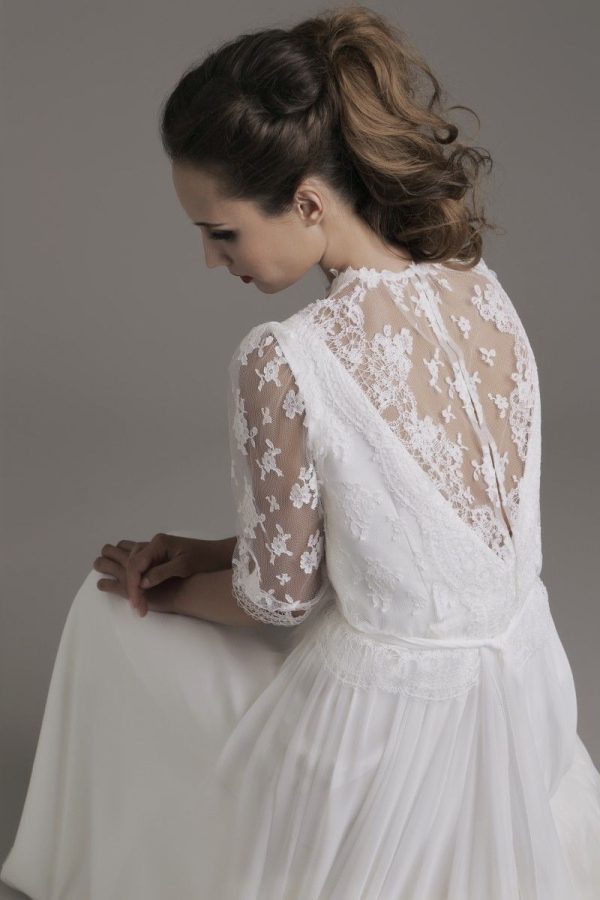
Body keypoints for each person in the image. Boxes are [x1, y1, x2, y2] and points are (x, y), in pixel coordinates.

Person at [2, 5, 600, 898]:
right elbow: (417, 549)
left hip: (389, 740)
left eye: (223, 232)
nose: (211, 261)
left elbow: (278, 600)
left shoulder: (287, 357)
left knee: (104, 619)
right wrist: (205, 551)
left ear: (309, 203)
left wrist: (155, 588)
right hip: (525, 704)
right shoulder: (480, 288)